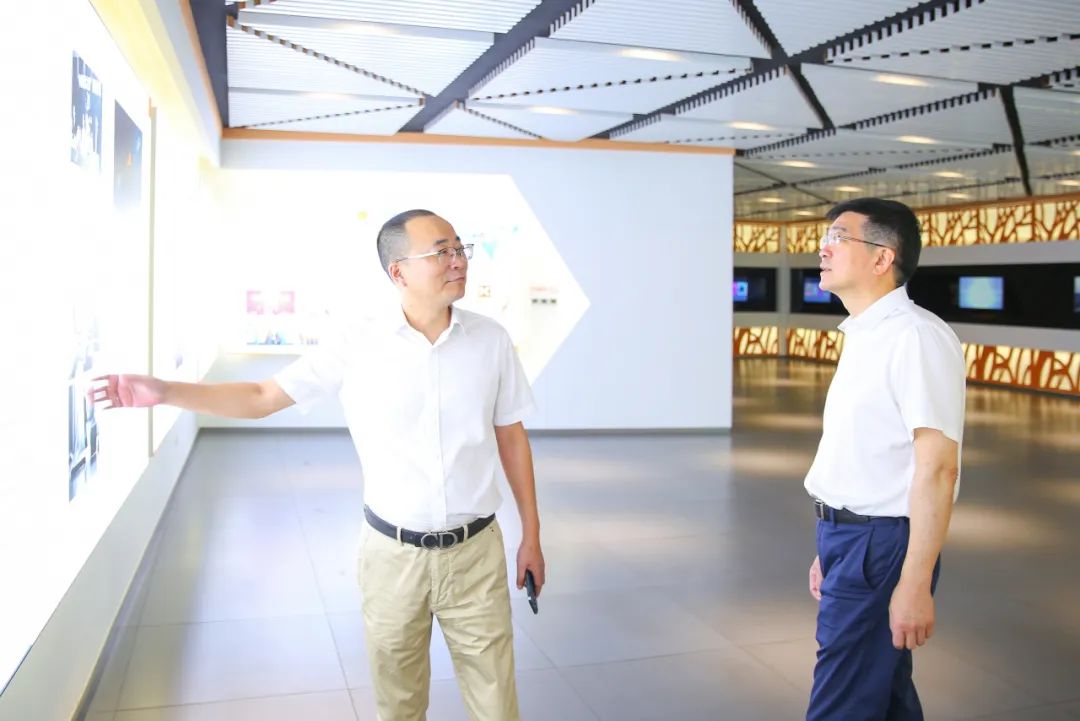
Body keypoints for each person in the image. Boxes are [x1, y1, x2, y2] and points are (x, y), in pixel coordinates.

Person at [91, 209, 545, 721]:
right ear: (398, 271)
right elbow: (262, 396)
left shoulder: (490, 340)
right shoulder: (358, 343)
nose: (458, 260)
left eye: (460, 248)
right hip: (391, 558)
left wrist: (530, 535)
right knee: (399, 705)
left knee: (497, 705)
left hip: (476, 554)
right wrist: (165, 392)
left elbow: (511, 436)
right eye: (441, 252)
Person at [803, 198, 965, 720]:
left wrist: (915, 582)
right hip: (850, 538)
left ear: (881, 258)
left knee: (841, 702)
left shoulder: (915, 336)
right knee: (885, 694)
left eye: (838, 237)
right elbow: (864, 456)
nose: (823, 249)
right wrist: (830, 543)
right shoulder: (865, 334)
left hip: (879, 545)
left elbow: (937, 467)